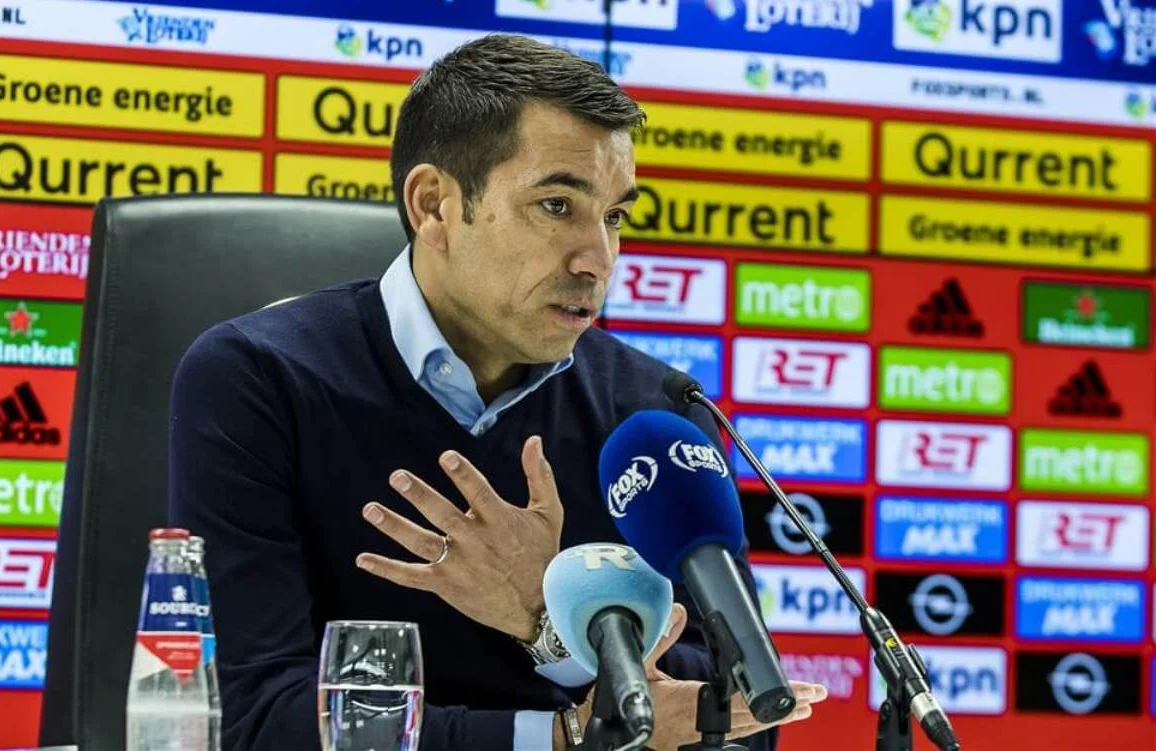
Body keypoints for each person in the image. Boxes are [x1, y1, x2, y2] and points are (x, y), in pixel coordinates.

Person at [169, 33, 827, 751]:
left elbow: (742, 715)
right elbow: (256, 719)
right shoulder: (258, 379)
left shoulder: (655, 414)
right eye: (557, 205)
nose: (599, 259)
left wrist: (546, 615)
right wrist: (563, 735)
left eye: (614, 216)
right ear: (434, 206)